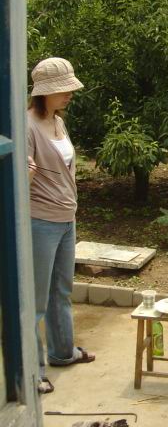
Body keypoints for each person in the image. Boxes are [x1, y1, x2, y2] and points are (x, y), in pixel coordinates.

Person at [27, 57, 95, 394]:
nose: (70, 93)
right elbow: (18, 180)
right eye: (64, 89)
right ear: (44, 92)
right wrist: (25, 174)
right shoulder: (26, 126)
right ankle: (33, 372)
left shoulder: (58, 122)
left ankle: (63, 352)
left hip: (67, 217)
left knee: (62, 291)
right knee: (36, 301)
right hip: (40, 220)